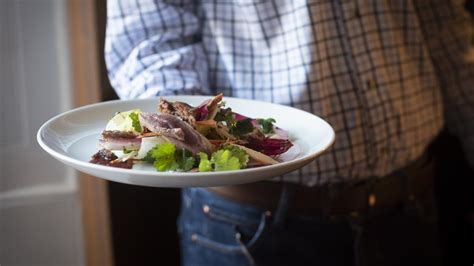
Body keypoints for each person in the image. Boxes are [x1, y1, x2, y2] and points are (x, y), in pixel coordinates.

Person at [105, 1, 474, 265]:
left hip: (411, 208)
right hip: (250, 225)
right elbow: (150, 39)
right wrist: (192, 131)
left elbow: (446, 31)